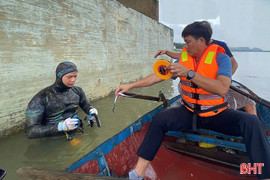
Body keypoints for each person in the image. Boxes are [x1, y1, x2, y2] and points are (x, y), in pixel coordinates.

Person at [115, 22, 270, 179]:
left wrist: (190, 73)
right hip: (190, 112)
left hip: (217, 114)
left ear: (201, 41)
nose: (185, 46)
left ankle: (265, 175)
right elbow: (159, 76)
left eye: (188, 41)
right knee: (159, 119)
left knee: (252, 122)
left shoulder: (221, 58)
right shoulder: (183, 59)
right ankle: (137, 175)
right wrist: (130, 85)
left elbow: (223, 88)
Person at [155, 20, 257, 115]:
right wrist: (167, 53)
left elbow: (234, 64)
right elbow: (181, 57)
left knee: (248, 100)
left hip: (219, 82)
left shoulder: (220, 46)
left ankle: (254, 118)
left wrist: (225, 79)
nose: (186, 45)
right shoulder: (193, 48)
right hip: (196, 87)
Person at [25, 61, 98, 139]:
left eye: (75, 76)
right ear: (59, 76)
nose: (73, 80)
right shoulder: (42, 97)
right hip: (53, 138)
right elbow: (30, 132)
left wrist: (91, 110)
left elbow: (86, 106)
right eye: (69, 77)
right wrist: (60, 127)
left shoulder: (77, 91)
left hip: (76, 132)